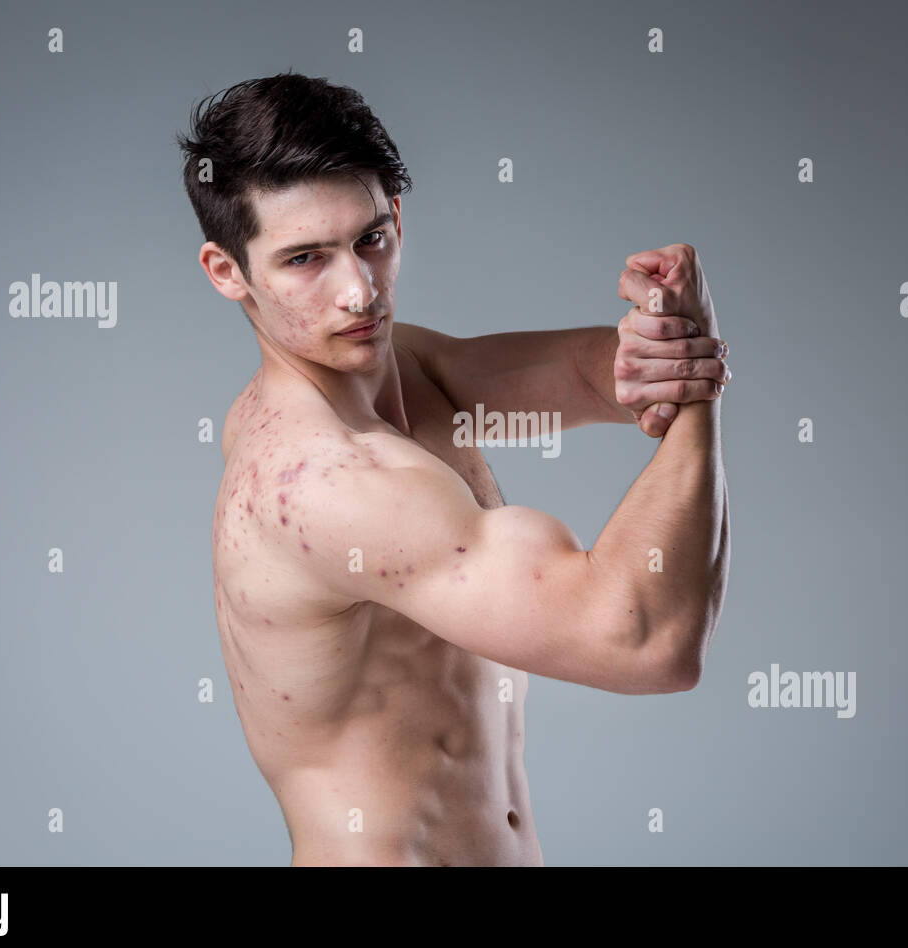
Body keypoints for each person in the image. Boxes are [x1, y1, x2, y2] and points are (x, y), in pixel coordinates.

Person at [177, 71, 731, 865]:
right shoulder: (326, 480)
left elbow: (583, 375)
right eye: (305, 259)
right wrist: (698, 385)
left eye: (370, 239)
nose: (358, 292)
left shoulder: (404, 368)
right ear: (228, 271)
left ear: (396, 216)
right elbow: (648, 642)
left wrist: (661, 337)